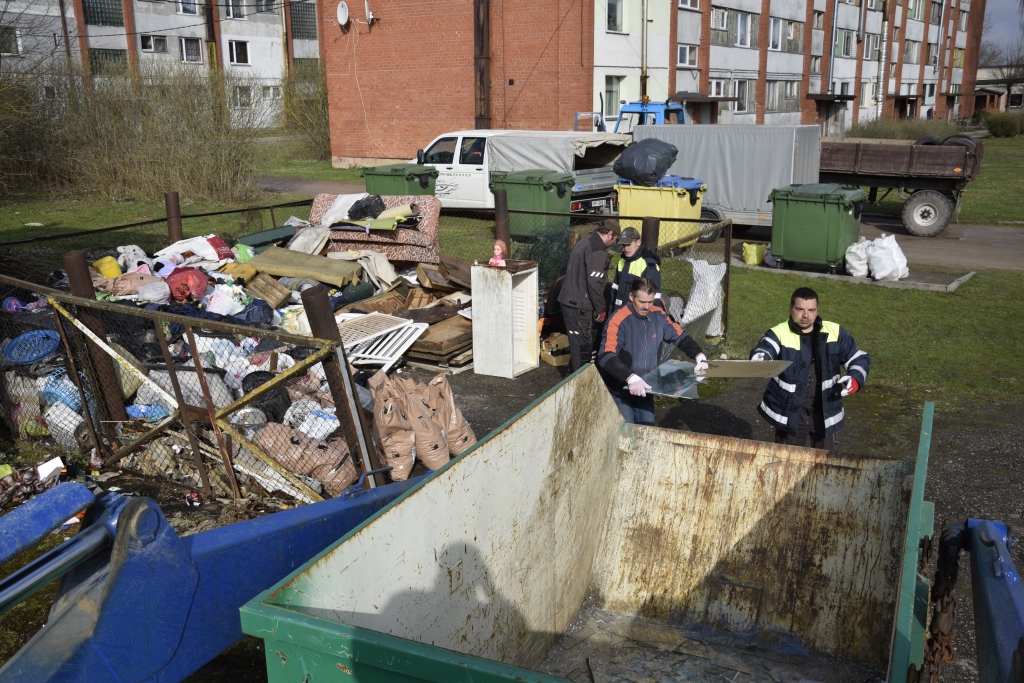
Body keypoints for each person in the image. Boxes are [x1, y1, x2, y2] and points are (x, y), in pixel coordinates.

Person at [749, 287, 869, 450]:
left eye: (811, 310)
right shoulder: (779, 333)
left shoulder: (835, 332)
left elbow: (857, 357)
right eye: (800, 309)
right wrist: (760, 357)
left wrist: (855, 377)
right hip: (791, 412)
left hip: (825, 410)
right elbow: (766, 347)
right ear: (790, 308)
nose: (806, 315)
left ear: (818, 310)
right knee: (787, 462)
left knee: (824, 463)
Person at [598, 278, 707, 425]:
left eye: (650, 302)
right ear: (631, 297)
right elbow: (605, 355)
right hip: (620, 389)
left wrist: (698, 355)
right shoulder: (618, 320)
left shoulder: (659, 316)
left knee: (647, 428)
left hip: (647, 388)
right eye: (642, 302)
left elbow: (680, 336)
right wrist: (630, 378)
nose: (646, 307)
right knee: (625, 431)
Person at [558, 219, 620, 371]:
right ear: (610, 234)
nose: (613, 244)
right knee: (583, 349)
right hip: (579, 305)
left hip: (568, 299)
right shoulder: (598, 249)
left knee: (577, 345)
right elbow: (595, 283)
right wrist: (600, 309)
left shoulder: (585, 242)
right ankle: (578, 384)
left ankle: (570, 380)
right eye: (615, 240)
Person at [610, 227, 662, 313]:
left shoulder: (648, 265)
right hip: (619, 312)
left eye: (628, 244)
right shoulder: (622, 260)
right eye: (623, 245)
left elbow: (653, 299)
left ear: (638, 242)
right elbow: (615, 289)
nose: (626, 249)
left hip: (636, 317)